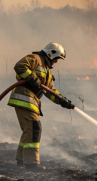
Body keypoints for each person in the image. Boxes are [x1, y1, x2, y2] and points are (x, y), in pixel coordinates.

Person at [8, 42, 74, 171]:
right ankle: (31, 164)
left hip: (30, 101)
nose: (55, 62)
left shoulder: (47, 71)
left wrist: (63, 101)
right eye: (56, 59)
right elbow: (20, 66)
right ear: (51, 53)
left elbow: (50, 91)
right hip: (24, 98)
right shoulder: (35, 59)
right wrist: (33, 78)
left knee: (29, 129)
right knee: (34, 127)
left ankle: (21, 159)